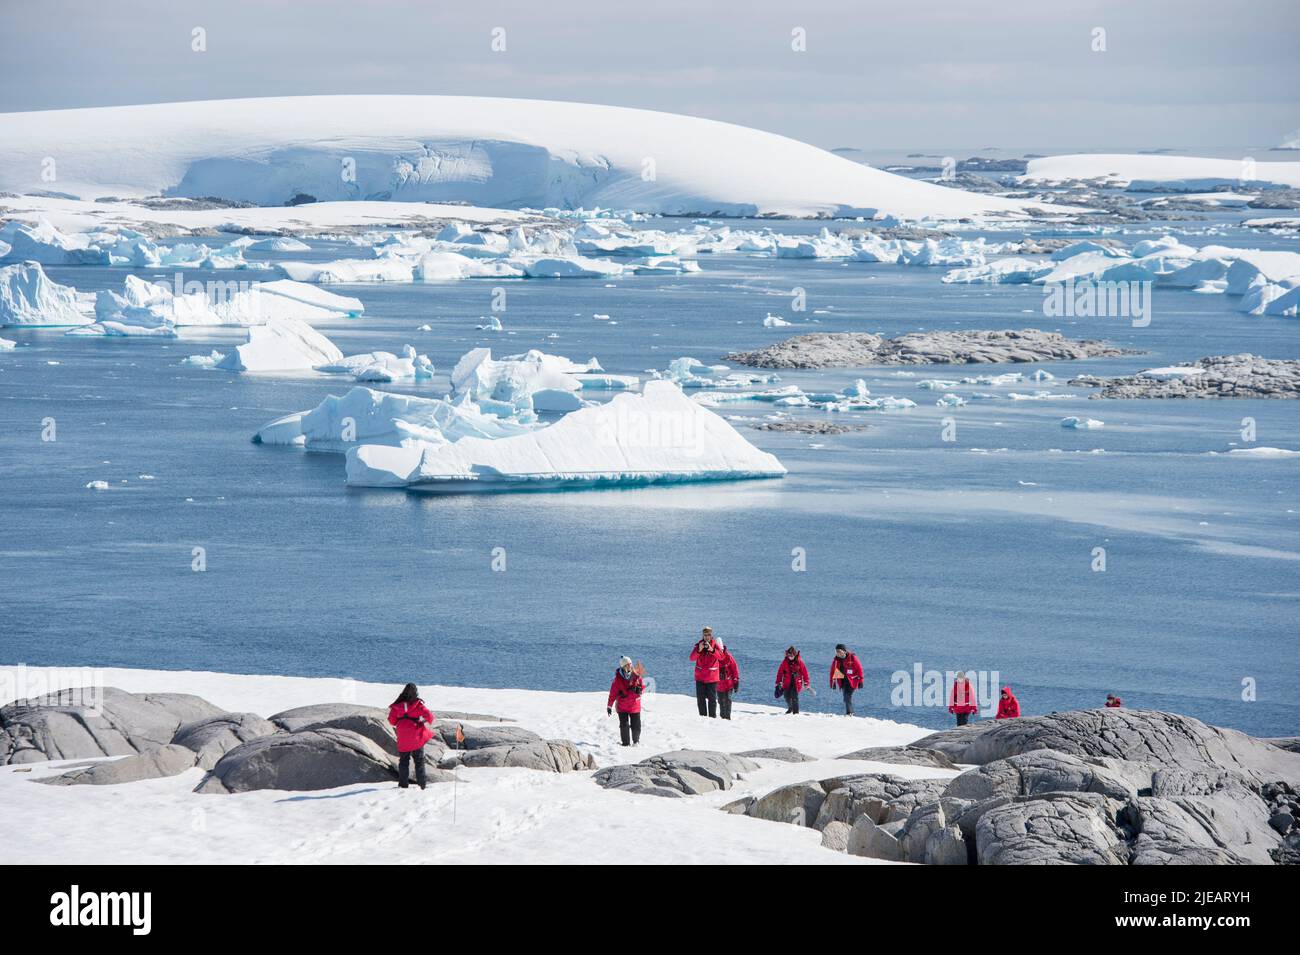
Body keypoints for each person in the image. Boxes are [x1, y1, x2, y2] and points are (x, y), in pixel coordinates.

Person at [387, 683, 435, 790]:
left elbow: (392, 721)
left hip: (403, 736)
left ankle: (403, 785)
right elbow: (430, 717)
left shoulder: (397, 705)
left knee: (404, 761)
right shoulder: (418, 704)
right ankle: (422, 785)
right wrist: (421, 721)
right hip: (416, 736)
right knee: (419, 761)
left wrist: (401, 721)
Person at [606, 656, 644, 746]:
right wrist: (609, 706)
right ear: (623, 667)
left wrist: (639, 690)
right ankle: (625, 744)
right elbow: (613, 693)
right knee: (624, 726)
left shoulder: (636, 676)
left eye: (630, 664)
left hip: (634, 706)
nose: (629, 666)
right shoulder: (617, 679)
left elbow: (642, 687)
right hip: (622, 707)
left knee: (636, 727)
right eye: (627, 665)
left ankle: (636, 742)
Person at [690, 627, 723, 718]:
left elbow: (721, 657)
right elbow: (692, 658)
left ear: (711, 635)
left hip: (712, 678)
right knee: (700, 699)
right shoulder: (699, 645)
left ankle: (712, 718)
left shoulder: (715, 645)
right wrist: (699, 650)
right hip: (700, 678)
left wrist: (712, 650)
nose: (707, 637)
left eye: (708, 635)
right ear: (703, 635)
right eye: (705, 635)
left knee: (712, 699)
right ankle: (702, 717)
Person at [829, 644, 864, 716]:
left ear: (844, 651)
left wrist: (861, 681)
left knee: (847, 696)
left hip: (852, 681)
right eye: (836, 651)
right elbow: (832, 672)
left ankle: (849, 713)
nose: (837, 653)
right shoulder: (836, 660)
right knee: (845, 698)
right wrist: (832, 683)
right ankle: (850, 712)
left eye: (839, 651)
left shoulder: (852, 658)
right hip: (842, 681)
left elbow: (859, 669)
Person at [775, 646, 810, 714]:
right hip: (787, 682)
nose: (790, 657)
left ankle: (796, 712)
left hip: (796, 683)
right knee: (786, 696)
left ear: (795, 655)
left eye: (791, 656)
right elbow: (780, 672)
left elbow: (805, 673)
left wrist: (806, 682)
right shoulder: (785, 662)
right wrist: (778, 682)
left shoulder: (800, 662)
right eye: (789, 655)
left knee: (794, 696)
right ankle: (790, 708)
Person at [716, 641, 740, 720]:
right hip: (718, 685)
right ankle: (722, 717)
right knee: (721, 701)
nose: (720, 652)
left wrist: (736, 682)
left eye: (721, 650)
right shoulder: (714, 658)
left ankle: (727, 717)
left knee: (728, 700)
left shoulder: (729, 657)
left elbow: (735, 669)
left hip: (728, 684)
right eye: (718, 650)